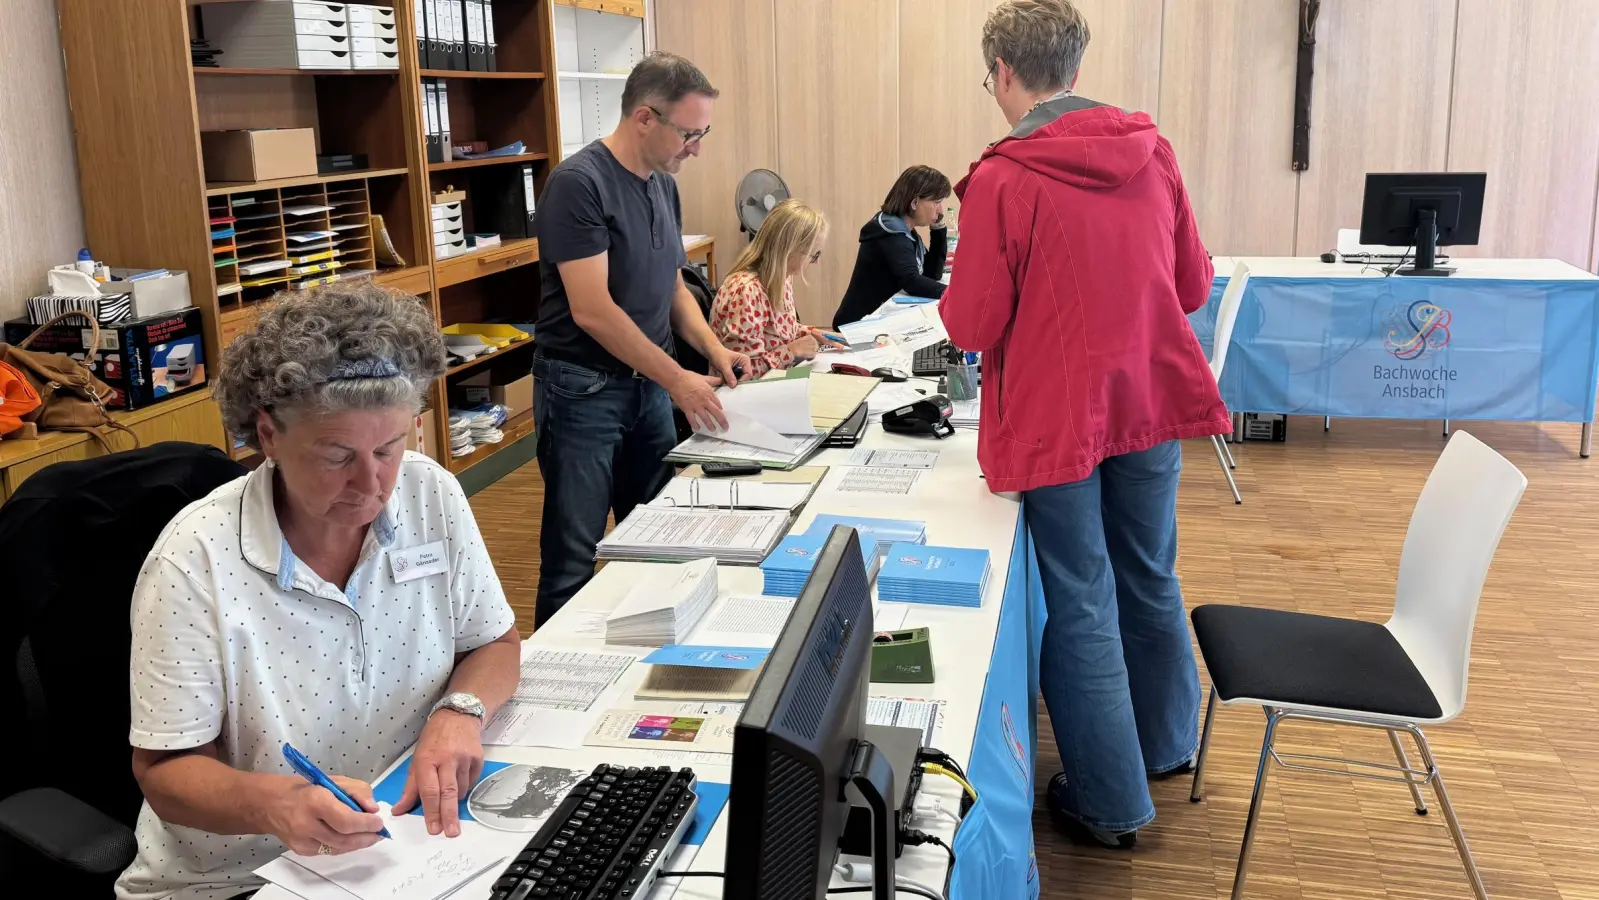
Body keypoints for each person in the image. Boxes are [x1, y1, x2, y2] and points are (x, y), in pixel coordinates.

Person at [115, 284, 521, 900]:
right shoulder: (193, 561)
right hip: (238, 880)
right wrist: (278, 805)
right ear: (268, 436)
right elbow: (165, 773)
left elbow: (494, 640)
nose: (372, 483)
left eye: (388, 448)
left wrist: (458, 713)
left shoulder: (428, 493)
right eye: (337, 455)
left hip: (400, 849)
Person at [940, 0, 1230, 849]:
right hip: (1149, 402)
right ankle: (1167, 745)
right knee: (1149, 574)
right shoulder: (1152, 152)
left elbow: (971, 325)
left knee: (1079, 598)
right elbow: (1190, 285)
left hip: (1058, 418)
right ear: (1074, 64)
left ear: (1001, 72)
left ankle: (1108, 800)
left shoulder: (1001, 176)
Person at [533, 52, 751, 627]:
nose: (696, 148)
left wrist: (712, 348)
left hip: (648, 388)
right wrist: (678, 378)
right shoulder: (579, 184)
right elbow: (594, 311)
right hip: (584, 391)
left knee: (656, 539)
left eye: (702, 133)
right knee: (573, 557)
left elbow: (672, 283)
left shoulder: (661, 185)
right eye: (689, 133)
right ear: (645, 118)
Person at [710, 198, 846, 379]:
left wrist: (809, 333)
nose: (816, 262)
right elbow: (741, 373)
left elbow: (775, 330)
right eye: (814, 255)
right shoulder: (747, 290)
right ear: (789, 250)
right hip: (745, 396)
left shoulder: (783, 277)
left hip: (777, 382)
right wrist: (790, 351)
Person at [833, 164, 952, 329]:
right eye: (937, 202)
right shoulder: (890, 231)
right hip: (857, 326)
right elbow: (912, 281)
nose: (940, 209)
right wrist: (957, 295)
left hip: (878, 322)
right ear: (915, 202)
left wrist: (938, 228)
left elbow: (932, 274)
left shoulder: (907, 232)